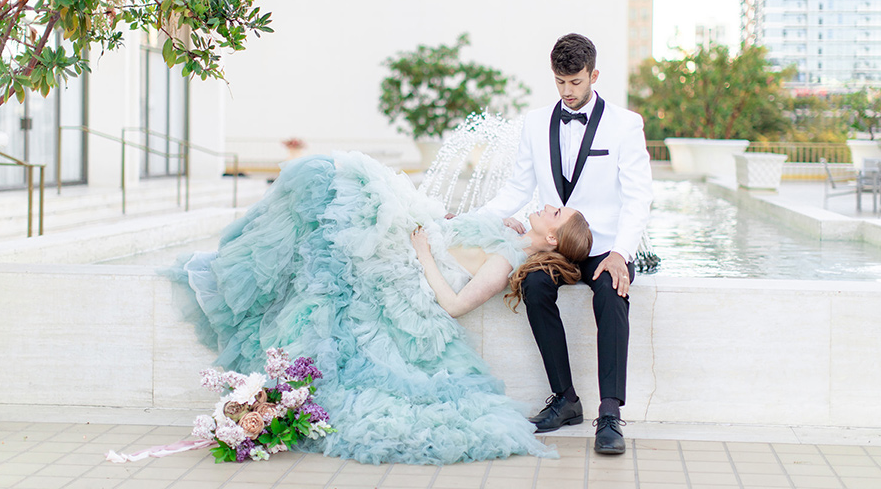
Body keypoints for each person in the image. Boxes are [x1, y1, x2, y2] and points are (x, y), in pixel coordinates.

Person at [165, 150, 593, 466]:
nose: (547, 205)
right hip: (414, 242)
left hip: (407, 271)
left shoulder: (505, 263)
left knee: (332, 196)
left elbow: (456, 304)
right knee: (331, 185)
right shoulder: (511, 232)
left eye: (555, 212)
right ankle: (238, 271)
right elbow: (461, 236)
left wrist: (423, 250)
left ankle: (234, 277)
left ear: (552, 238)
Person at [479, 33, 653, 455]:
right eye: (559, 82)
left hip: (606, 244)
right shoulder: (535, 122)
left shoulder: (625, 124)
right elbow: (517, 187)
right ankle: (565, 399)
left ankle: (609, 413)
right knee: (534, 286)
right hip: (557, 245)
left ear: (593, 75)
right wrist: (473, 219)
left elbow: (638, 196)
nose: (567, 91)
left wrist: (620, 254)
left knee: (612, 295)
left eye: (575, 82)